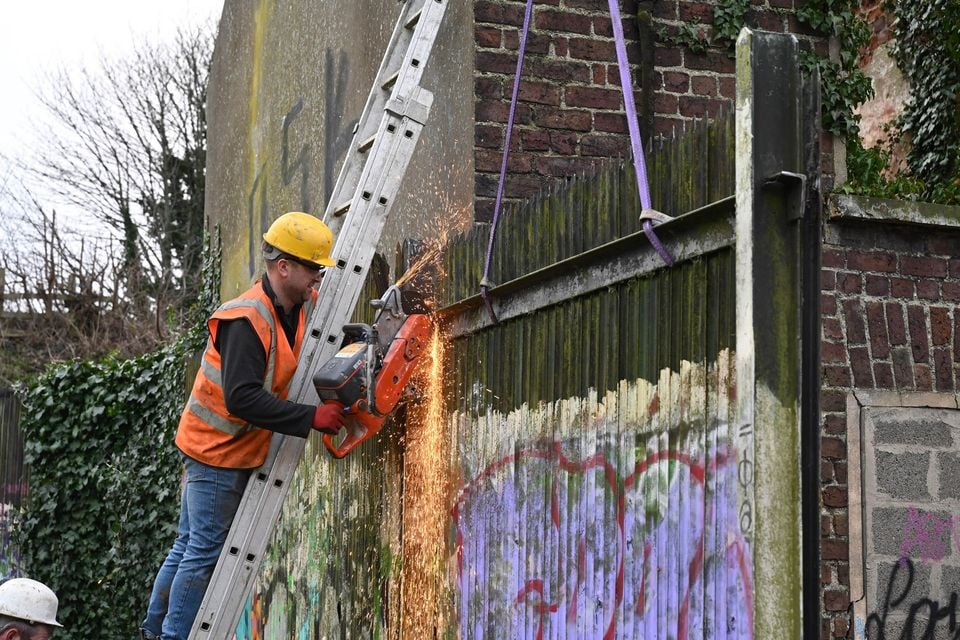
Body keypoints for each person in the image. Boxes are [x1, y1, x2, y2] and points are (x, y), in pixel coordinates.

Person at [140, 212, 346, 640]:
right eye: (312, 268)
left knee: (188, 546)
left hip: (217, 446)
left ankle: (154, 631)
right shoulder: (247, 319)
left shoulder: (293, 308)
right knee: (203, 553)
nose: (317, 279)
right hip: (216, 452)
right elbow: (242, 398)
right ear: (283, 266)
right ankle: (174, 636)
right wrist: (312, 417)